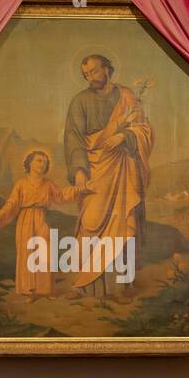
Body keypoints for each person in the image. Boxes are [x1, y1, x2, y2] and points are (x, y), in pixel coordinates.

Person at [62, 54, 153, 297]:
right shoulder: (79, 101)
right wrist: (80, 171)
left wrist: (125, 136)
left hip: (123, 167)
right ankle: (89, 286)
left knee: (122, 222)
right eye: (86, 74)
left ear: (107, 69)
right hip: (95, 169)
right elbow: (73, 138)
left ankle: (118, 287)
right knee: (91, 223)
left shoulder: (127, 96)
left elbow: (144, 128)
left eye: (93, 71)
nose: (89, 76)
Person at [0, 150, 83, 298]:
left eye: (44, 162)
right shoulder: (21, 184)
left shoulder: (48, 184)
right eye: (38, 160)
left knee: (44, 252)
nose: (42, 164)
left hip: (42, 219)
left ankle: (46, 290)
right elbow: (12, 204)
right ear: (30, 163)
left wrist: (80, 188)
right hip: (25, 220)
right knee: (27, 253)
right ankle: (29, 290)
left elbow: (62, 196)